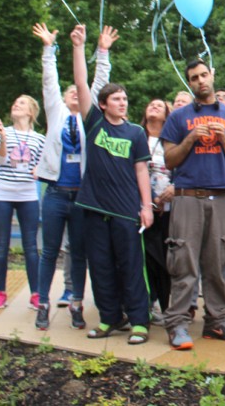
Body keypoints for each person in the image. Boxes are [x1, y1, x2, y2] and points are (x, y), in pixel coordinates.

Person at [68, 25, 154, 344]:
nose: (123, 102)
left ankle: (139, 321)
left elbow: (142, 171)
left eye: (125, 98)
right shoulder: (94, 123)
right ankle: (108, 319)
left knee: (131, 266)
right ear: (103, 104)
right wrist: (80, 47)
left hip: (126, 211)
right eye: (116, 98)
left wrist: (146, 207)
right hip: (93, 208)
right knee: (101, 267)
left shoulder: (135, 133)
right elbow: (80, 84)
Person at [161, 58, 225, 350]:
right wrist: (189, 139)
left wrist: (223, 139)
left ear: (212, 74)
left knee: (216, 263)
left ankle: (217, 322)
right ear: (190, 82)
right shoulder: (178, 117)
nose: (200, 80)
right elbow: (169, 160)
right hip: (187, 196)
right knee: (183, 262)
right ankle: (177, 325)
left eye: (204, 75)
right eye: (194, 77)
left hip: (221, 197)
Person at [31, 22, 115, 331]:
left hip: (81, 196)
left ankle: (77, 304)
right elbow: (49, 83)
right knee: (49, 251)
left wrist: (102, 52)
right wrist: (49, 49)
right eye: (70, 93)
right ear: (65, 99)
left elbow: (99, 83)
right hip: (54, 193)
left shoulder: (90, 120)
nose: (75, 96)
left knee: (78, 252)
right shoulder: (56, 114)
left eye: (78, 93)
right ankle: (42, 304)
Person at [0, 94, 45, 310]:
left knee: (31, 246)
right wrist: (2, 137)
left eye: (21, 103)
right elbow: (1, 159)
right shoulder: (2, 132)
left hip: (27, 195)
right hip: (2, 194)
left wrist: (39, 170)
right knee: (1, 246)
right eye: (14, 103)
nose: (15, 105)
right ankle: (1, 293)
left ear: (30, 111)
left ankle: (36, 294)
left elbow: (43, 164)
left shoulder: (39, 138)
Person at [141, 98, 174, 325]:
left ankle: (167, 305)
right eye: (151, 104)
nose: (154, 107)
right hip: (144, 207)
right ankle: (148, 303)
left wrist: (173, 189)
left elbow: (181, 167)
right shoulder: (137, 137)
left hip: (170, 207)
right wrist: (150, 198)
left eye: (159, 105)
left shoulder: (172, 140)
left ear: (167, 114)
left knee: (166, 258)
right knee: (147, 259)